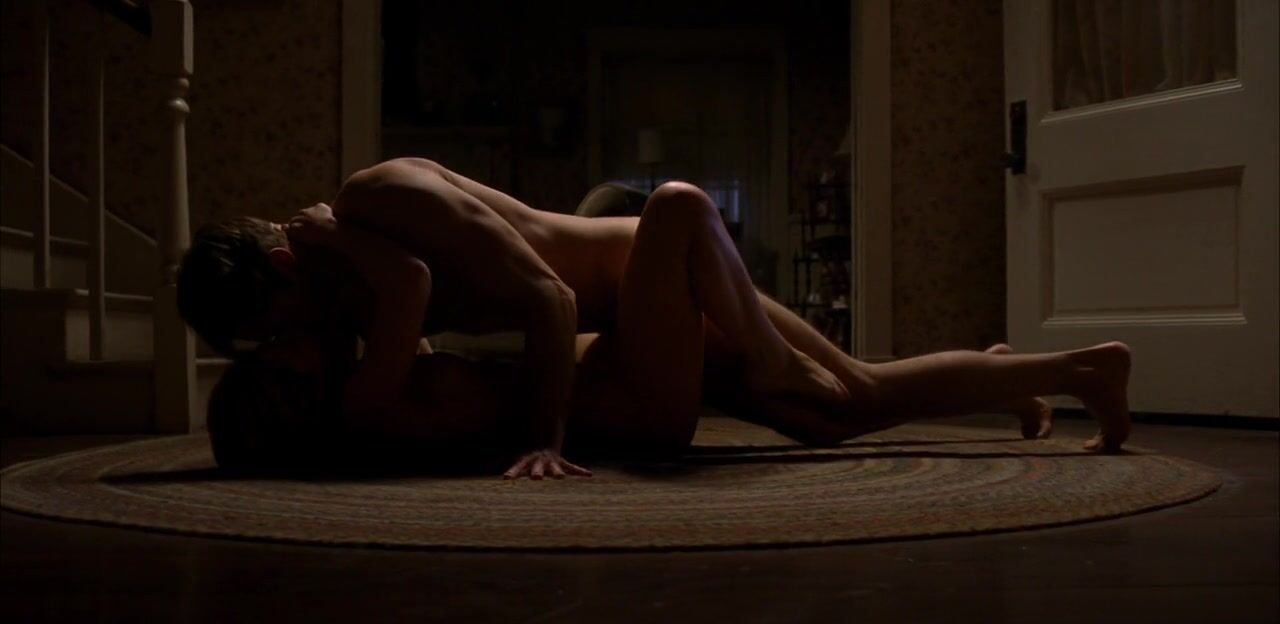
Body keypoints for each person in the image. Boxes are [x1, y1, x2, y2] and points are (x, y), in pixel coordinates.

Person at [179, 159, 1132, 479]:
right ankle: (1048, 373)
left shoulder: (379, 202)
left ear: (282, 266)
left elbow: (547, 298)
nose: (284, 347)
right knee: (847, 404)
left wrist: (547, 439)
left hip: (655, 274)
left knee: (681, 215)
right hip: (634, 335)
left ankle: (767, 354)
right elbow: (413, 339)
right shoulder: (354, 306)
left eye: (272, 327)